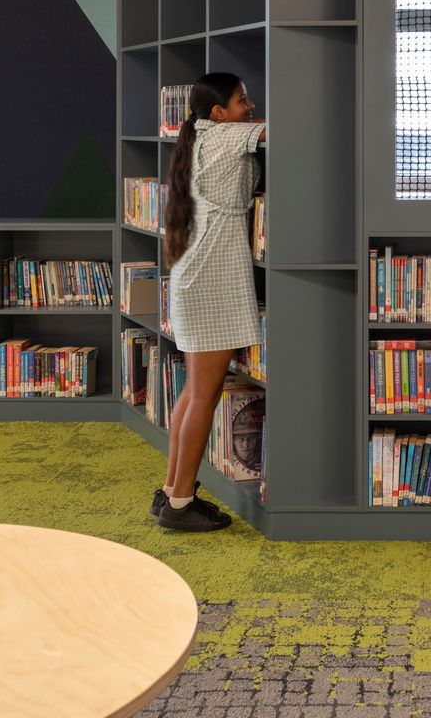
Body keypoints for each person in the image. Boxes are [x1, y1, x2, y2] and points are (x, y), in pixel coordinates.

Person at [151, 71, 264, 532]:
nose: (250, 105)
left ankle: (171, 492)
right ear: (219, 113)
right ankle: (179, 504)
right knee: (203, 395)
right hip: (212, 280)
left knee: (193, 394)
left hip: (194, 275)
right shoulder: (229, 135)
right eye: (241, 101)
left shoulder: (200, 134)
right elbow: (290, 127)